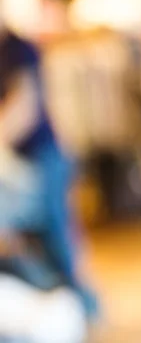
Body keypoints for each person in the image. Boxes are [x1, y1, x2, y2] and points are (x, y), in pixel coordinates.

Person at [0, 26, 98, 318]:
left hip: (45, 155)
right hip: (18, 163)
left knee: (57, 232)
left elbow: (24, 108)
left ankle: (84, 305)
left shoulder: (18, 49)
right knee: (38, 237)